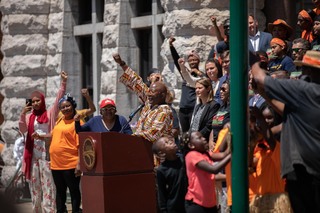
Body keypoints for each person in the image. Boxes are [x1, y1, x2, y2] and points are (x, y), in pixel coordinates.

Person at [251, 50, 320, 212]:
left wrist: (254, 61)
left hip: (303, 171)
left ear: (308, 71)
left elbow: (260, 77)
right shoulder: (311, 96)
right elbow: (287, 111)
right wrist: (263, 93)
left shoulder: (304, 90)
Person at [18, 71, 68, 213]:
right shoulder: (29, 117)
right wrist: (22, 114)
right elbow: (22, 129)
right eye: (33, 101)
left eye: (37, 100)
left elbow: (59, 100)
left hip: (47, 156)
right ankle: (37, 210)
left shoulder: (50, 113)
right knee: (35, 187)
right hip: (32, 156)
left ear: (42, 100)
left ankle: (49, 211)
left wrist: (63, 83)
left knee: (48, 186)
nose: (35, 103)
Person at [113, 53, 173, 143]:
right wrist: (122, 63)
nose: (149, 94)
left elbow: (152, 134)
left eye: (152, 92)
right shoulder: (149, 103)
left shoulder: (164, 111)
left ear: (162, 95)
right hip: (141, 150)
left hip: (156, 154)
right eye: (149, 91)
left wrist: (129, 137)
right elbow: (136, 82)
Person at [49, 95, 83, 213]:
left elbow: (80, 144)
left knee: (73, 191)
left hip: (70, 163)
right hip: (56, 164)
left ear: (73, 106)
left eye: (68, 105)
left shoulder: (78, 122)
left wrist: (79, 163)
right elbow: (53, 135)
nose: (65, 109)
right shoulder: (60, 120)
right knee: (60, 191)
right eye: (62, 107)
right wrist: (40, 136)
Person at [183, 131, 231, 213]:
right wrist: (232, 155)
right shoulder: (192, 155)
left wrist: (228, 133)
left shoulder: (206, 154)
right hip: (196, 203)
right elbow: (214, 169)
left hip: (210, 204)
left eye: (203, 136)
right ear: (191, 145)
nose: (204, 139)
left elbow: (224, 155)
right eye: (199, 138)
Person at [168, 37, 201, 134]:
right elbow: (177, 60)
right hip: (183, 109)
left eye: (194, 60)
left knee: (193, 133)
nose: (192, 62)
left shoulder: (202, 75)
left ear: (198, 61)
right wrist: (171, 46)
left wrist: (198, 73)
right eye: (190, 60)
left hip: (193, 108)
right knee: (185, 134)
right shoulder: (185, 73)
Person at [152, 137, 187, 213]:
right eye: (166, 143)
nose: (171, 142)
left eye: (170, 140)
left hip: (189, 203)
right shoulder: (162, 170)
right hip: (174, 207)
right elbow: (161, 192)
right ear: (161, 153)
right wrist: (164, 210)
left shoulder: (184, 160)